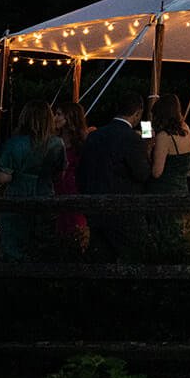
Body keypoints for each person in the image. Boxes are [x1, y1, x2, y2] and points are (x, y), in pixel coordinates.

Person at [78, 93, 151, 260]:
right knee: (129, 255)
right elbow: (142, 173)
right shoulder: (132, 139)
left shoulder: (95, 136)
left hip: (95, 204)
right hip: (123, 209)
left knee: (99, 255)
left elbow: (82, 170)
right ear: (138, 113)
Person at [0, 101, 66, 260]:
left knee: (13, 250)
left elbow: (3, 178)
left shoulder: (13, 143)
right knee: (42, 248)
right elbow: (58, 175)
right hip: (45, 196)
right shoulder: (56, 143)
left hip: (16, 198)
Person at [147, 93, 190, 245]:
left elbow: (157, 172)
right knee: (175, 229)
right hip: (181, 186)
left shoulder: (164, 136)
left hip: (164, 190)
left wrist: (148, 150)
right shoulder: (187, 130)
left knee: (162, 232)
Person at [52, 103, 88, 247]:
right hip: (56, 188)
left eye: (59, 114)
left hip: (73, 189)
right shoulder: (54, 142)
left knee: (74, 227)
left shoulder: (81, 143)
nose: (55, 118)